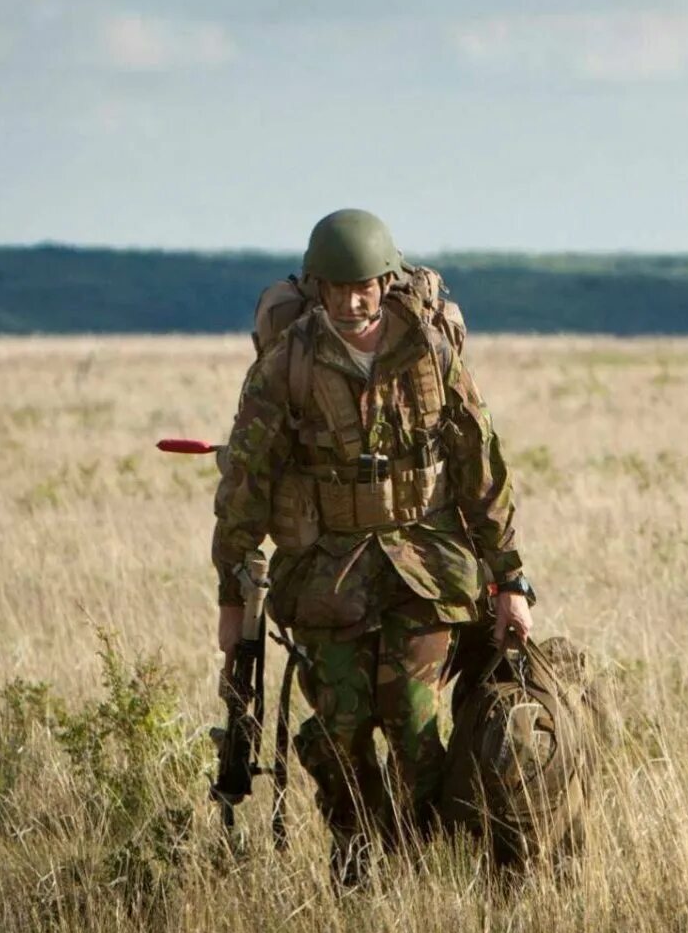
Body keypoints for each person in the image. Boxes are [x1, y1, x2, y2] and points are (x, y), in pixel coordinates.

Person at [210, 208, 533, 879]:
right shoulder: (287, 363)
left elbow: (482, 468)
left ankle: (429, 861)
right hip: (327, 573)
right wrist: (232, 595)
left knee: (414, 721)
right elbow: (245, 483)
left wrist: (511, 581)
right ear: (317, 287)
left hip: (426, 565)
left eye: (363, 285)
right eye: (335, 286)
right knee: (339, 734)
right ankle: (359, 853)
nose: (351, 300)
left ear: (385, 282)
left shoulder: (430, 352)